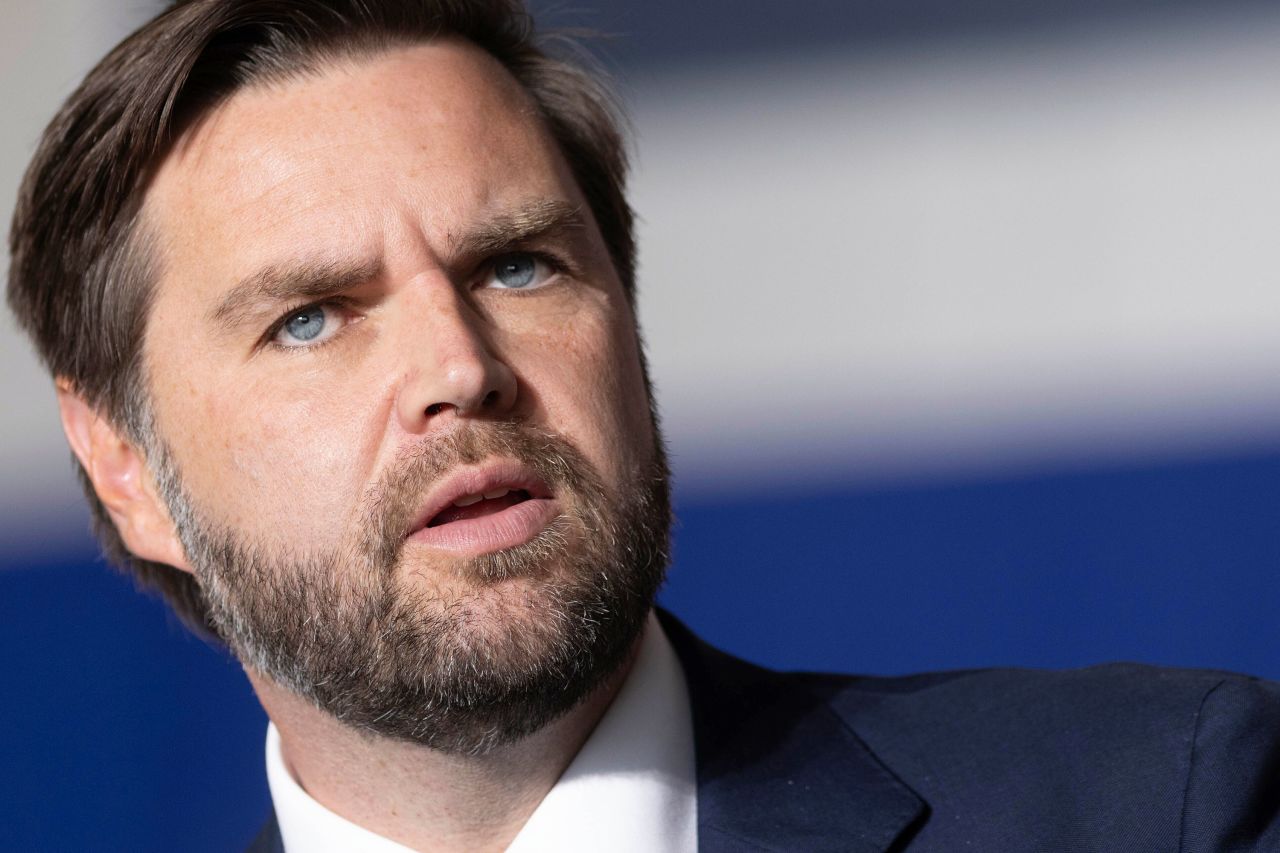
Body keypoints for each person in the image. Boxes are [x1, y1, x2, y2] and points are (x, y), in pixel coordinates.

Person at [7, 1, 1280, 850]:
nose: (459, 367)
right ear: (125, 468)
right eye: (310, 318)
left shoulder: (1154, 801)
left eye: (515, 266)